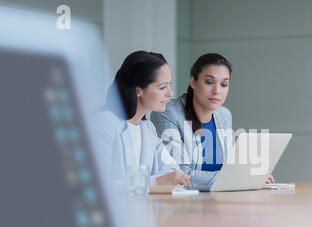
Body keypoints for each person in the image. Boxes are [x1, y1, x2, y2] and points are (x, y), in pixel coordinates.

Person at [151, 53, 274, 187]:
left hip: (219, 199)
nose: (217, 91)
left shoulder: (224, 115)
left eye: (224, 84)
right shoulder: (168, 113)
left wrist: (252, 175)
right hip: (184, 203)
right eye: (209, 82)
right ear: (193, 82)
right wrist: (239, 179)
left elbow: (228, 168)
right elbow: (180, 175)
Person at [94, 51, 190, 186]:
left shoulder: (147, 128)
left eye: (169, 84)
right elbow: (97, 184)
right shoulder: (104, 123)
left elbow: (173, 171)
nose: (170, 93)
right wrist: (154, 181)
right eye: (162, 87)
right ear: (138, 90)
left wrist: (163, 179)